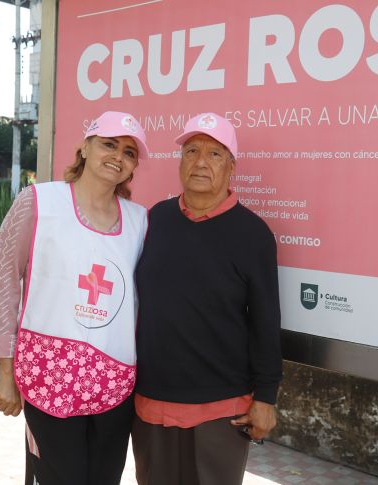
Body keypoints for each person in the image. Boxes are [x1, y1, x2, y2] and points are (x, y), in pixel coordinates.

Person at [0, 111, 150, 485]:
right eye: (108, 144)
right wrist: (6, 374)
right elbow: (3, 282)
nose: (118, 155)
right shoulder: (38, 202)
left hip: (115, 383)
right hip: (46, 376)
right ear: (85, 147)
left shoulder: (140, 222)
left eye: (129, 151)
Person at [132, 113, 283, 485]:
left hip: (222, 407)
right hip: (152, 399)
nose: (200, 162)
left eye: (215, 154)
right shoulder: (154, 220)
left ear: (231, 167)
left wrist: (266, 397)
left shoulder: (253, 234)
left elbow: (265, 320)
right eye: (191, 151)